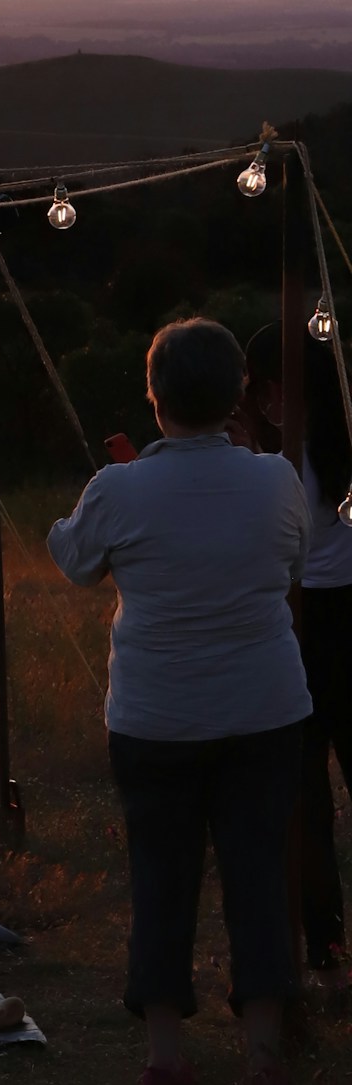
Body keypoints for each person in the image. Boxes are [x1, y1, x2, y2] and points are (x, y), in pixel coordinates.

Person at [48, 316, 311, 1085]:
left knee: (161, 878)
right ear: (237, 395)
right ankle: (264, 1054)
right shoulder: (274, 479)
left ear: (155, 398)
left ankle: (165, 1058)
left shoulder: (121, 487)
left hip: (155, 718)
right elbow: (291, 561)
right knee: (259, 876)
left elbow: (72, 559)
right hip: (265, 711)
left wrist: (109, 492)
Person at [242, 327, 352, 969]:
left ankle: (326, 948)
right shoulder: (325, 448)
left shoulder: (276, 467)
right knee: (306, 798)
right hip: (325, 618)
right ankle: (327, 947)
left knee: (307, 802)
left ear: (275, 391)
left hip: (305, 623)